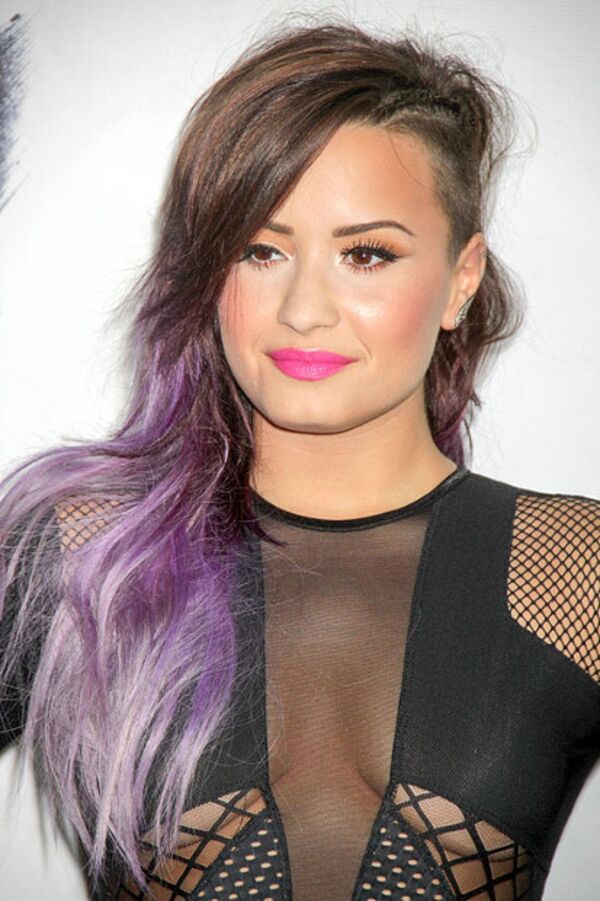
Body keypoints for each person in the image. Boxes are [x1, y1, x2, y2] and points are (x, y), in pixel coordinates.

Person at [0, 18, 598, 901]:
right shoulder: (85, 557)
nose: (304, 307)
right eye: (261, 250)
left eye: (366, 254)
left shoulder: (575, 565)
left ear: (461, 279)